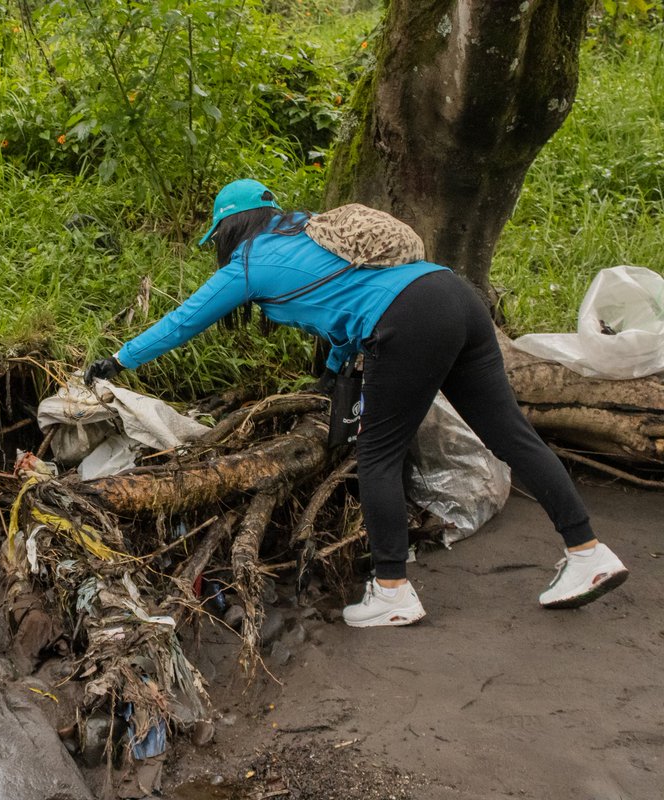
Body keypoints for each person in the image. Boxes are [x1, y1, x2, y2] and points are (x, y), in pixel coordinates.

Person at [84, 179, 629, 628]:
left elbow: (184, 321)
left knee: (378, 454)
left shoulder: (249, 263)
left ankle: (392, 591)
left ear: (229, 229)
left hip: (410, 319)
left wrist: (119, 360)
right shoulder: (313, 233)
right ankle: (587, 553)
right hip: (454, 296)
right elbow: (349, 304)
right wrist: (332, 373)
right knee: (510, 434)